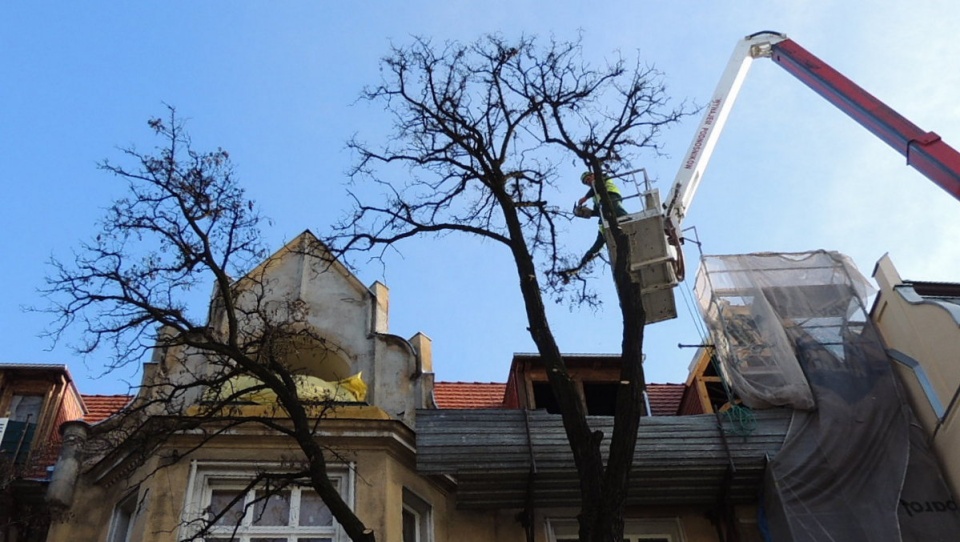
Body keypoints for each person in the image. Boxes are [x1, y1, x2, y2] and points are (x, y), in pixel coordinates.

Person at [569, 171, 628, 271]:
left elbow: (597, 185)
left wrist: (585, 198)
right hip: (604, 212)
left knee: (616, 211)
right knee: (601, 235)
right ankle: (588, 255)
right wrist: (585, 212)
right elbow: (597, 212)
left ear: (593, 175)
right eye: (586, 182)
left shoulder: (603, 178)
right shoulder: (594, 196)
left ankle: (627, 219)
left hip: (610, 197)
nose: (588, 182)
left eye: (588, 178)